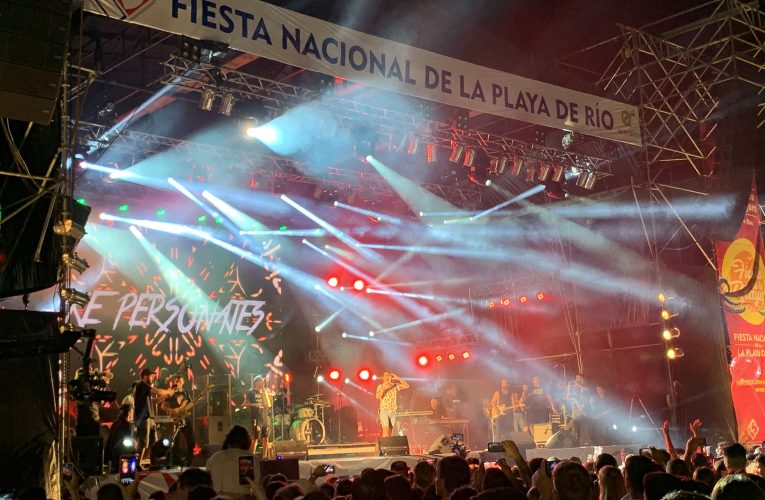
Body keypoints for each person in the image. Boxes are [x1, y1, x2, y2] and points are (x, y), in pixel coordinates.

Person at [205, 425, 261, 498]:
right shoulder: (251, 459)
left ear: (228, 441)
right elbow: (256, 485)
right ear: (247, 442)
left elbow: (207, 482)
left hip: (218, 497)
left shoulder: (215, 458)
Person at [133, 367, 174, 458]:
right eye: (151, 376)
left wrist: (165, 396)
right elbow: (157, 391)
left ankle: (150, 461)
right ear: (145, 376)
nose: (152, 378)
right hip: (143, 419)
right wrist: (168, 391)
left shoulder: (144, 389)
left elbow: (152, 401)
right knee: (144, 442)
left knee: (153, 441)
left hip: (150, 418)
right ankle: (140, 462)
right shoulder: (141, 385)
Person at [160, 374, 196, 466]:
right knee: (175, 441)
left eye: (180, 381)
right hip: (175, 420)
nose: (178, 382)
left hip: (185, 418)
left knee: (190, 440)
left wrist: (184, 410)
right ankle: (174, 462)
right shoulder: (172, 393)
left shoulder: (186, 393)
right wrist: (172, 411)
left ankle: (189, 461)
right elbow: (163, 406)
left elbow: (191, 404)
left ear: (183, 382)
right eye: (176, 380)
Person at [244, 375, 273, 457]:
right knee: (255, 437)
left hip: (265, 416)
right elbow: (244, 404)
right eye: (260, 381)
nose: (262, 383)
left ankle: (264, 457)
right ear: (256, 382)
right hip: (256, 416)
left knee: (266, 436)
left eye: (263, 381)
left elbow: (268, 405)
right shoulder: (251, 392)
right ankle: (252, 456)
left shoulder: (264, 392)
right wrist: (254, 404)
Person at [376, 371, 409, 437]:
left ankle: (389, 446)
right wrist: (385, 385)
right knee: (385, 430)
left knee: (391, 431)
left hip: (393, 411)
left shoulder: (394, 386)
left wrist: (398, 378)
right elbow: (378, 396)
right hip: (384, 410)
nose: (387, 377)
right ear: (383, 377)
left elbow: (407, 386)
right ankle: (384, 446)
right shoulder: (380, 386)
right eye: (385, 375)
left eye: (389, 375)